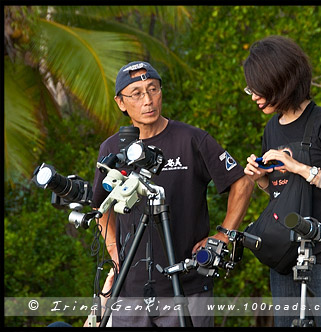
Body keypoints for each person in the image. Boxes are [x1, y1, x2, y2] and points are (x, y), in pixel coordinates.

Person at [91, 61, 254, 327]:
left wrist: (224, 234)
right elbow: (100, 206)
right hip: (129, 292)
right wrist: (113, 249)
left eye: (153, 89)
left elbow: (242, 182)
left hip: (188, 287)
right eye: (137, 93)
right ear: (121, 103)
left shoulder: (191, 139)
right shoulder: (112, 148)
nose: (148, 100)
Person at [243, 35, 321, 327]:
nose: (253, 95)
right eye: (251, 88)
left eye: (258, 88)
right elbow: (280, 195)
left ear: (280, 80)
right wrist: (262, 181)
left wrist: (299, 167)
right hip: (285, 258)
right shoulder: (271, 128)